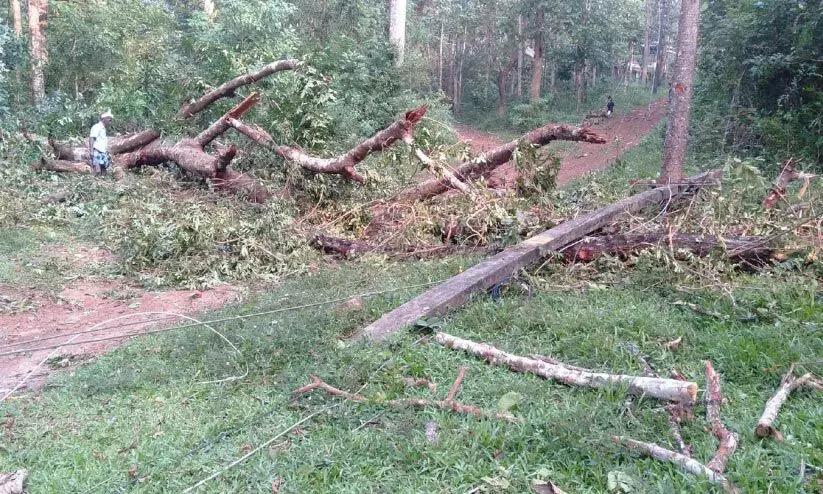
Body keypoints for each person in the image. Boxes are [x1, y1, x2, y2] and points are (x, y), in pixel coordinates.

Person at [88, 111, 113, 175]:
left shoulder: (103, 128)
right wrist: (91, 151)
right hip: (97, 151)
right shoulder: (97, 127)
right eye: (108, 118)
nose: (110, 120)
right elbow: (91, 138)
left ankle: (103, 181)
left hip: (103, 152)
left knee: (104, 170)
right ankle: (95, 180)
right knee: (97, 170)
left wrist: (106, 150)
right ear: (103, 119)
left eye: (110, 119)